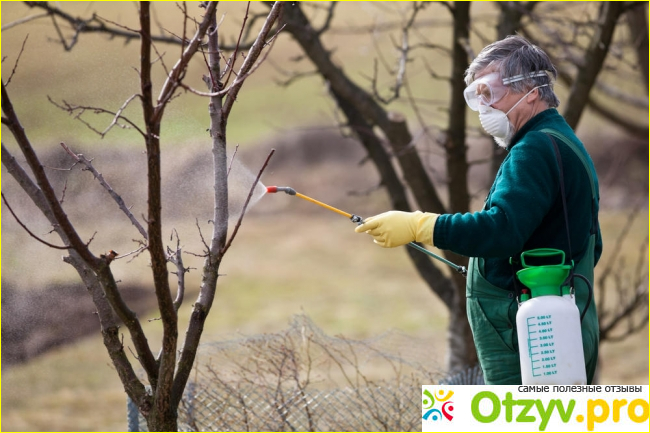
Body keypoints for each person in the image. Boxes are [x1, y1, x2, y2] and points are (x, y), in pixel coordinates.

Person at [354, 35, 601, 385]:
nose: (483, 106)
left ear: (531, 89)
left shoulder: (534, 150)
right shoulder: (559, 141)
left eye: (489, 92)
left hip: (533, 337)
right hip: (554, 328)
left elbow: (500, 230)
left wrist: (422, 226)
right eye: (476, 97)